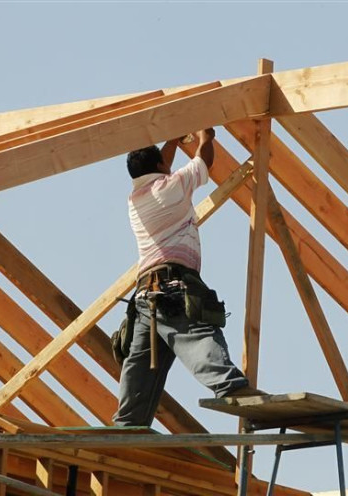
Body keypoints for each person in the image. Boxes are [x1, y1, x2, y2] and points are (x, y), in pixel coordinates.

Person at [113, 128, 260, 427]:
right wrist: (206, 138)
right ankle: (233, 387)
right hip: (170, 289)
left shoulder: (135, 198)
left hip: (144, 300)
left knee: (139, 369)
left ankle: (126, 427)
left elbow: (159, 166)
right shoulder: (172, 187)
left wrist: (172, 139)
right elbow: (203, 162)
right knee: (196, 338)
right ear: (160, 168)